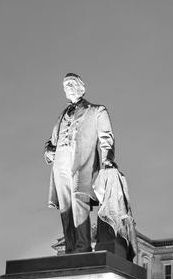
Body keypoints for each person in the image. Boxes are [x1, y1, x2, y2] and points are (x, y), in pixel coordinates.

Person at [43, 73, 134, 258]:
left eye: (71, 83)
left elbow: (106, 137)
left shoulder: (96, 110)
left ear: (81, 88)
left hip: (82, 163)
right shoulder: (62, 115)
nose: (68, 86)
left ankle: (82, 248)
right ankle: (70, 249)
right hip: (60, 162)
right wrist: (48, 151)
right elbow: (52, 141)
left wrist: (108, 159)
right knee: (66, 207)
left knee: (79, 201)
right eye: (65, 85)